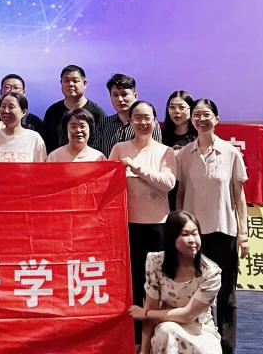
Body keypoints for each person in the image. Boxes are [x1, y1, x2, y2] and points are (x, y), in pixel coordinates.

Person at [176, 99, 249, 354]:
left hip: (223, 231)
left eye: (206, 114)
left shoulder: (230, 153)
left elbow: (239, 196)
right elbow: (180, 193)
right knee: (193, 291)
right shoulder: (184, 155)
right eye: (197, 114)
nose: (201, 119)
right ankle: (197, 344)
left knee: (226, 295)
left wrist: (243, 234)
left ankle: (227, 347)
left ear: (216, 119)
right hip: (193, 237)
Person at [110, 100, 177, 348]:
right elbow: (108, 181)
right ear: (130, 121)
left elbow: (167, 183)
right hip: (127, 226)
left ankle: (159, 338)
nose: (142, 122)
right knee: (133, 284)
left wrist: (135, 167)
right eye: (137, 117)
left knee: (157, 284)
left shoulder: (165, 152)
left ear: (155, 120)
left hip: (157, 227)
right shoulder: (119, 148)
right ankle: (137, 340)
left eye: (147, 117)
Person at [129, 210, 222, 354]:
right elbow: (150, 312)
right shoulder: (155, 262)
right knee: (167, 331)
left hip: (200, 330)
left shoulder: (211, 272)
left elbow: (188, 315)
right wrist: (144, 351)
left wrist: (146, 313)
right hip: (165, 328)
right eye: (185, 235)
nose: (192, 240)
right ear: (171, 238)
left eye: (195, 233)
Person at [41, 65, 106, 153]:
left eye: (75, 81)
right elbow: (46, 145)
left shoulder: (97, 113)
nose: (70, 84)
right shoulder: (52, 112)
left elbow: (104, 145)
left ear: (85, 84)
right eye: (66, 81)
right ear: (61, 83)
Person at [93, 73, 160, 157]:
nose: (120, 99)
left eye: (124, 94)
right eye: (115, 95)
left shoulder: (149, 123)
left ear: (135, 96)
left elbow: (156, 153)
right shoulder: (104, 124)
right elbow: (96, 155)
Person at [161, 91, 197, 211]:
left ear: (191, 109)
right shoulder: (160, 135)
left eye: (181, 107)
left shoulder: (198, 137)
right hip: (166, 192)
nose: (176, 111)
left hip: (192, 190)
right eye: (172, 107)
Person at [0, 93, 47, 162]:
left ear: (23, 112)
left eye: (11, 107)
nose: (6, 111)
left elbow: (41, 167)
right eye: (3, 106)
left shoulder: (34, 138)